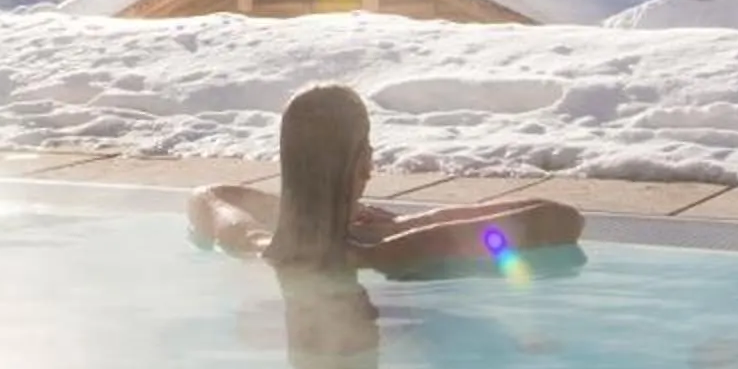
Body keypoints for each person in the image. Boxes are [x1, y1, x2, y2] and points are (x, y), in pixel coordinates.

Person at [188, 83, 583, 280]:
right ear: (363, 164)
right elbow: (562, 220)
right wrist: (402, 226)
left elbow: (209, 195)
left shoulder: (251, 244)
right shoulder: (388, 252)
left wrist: (307, 211)